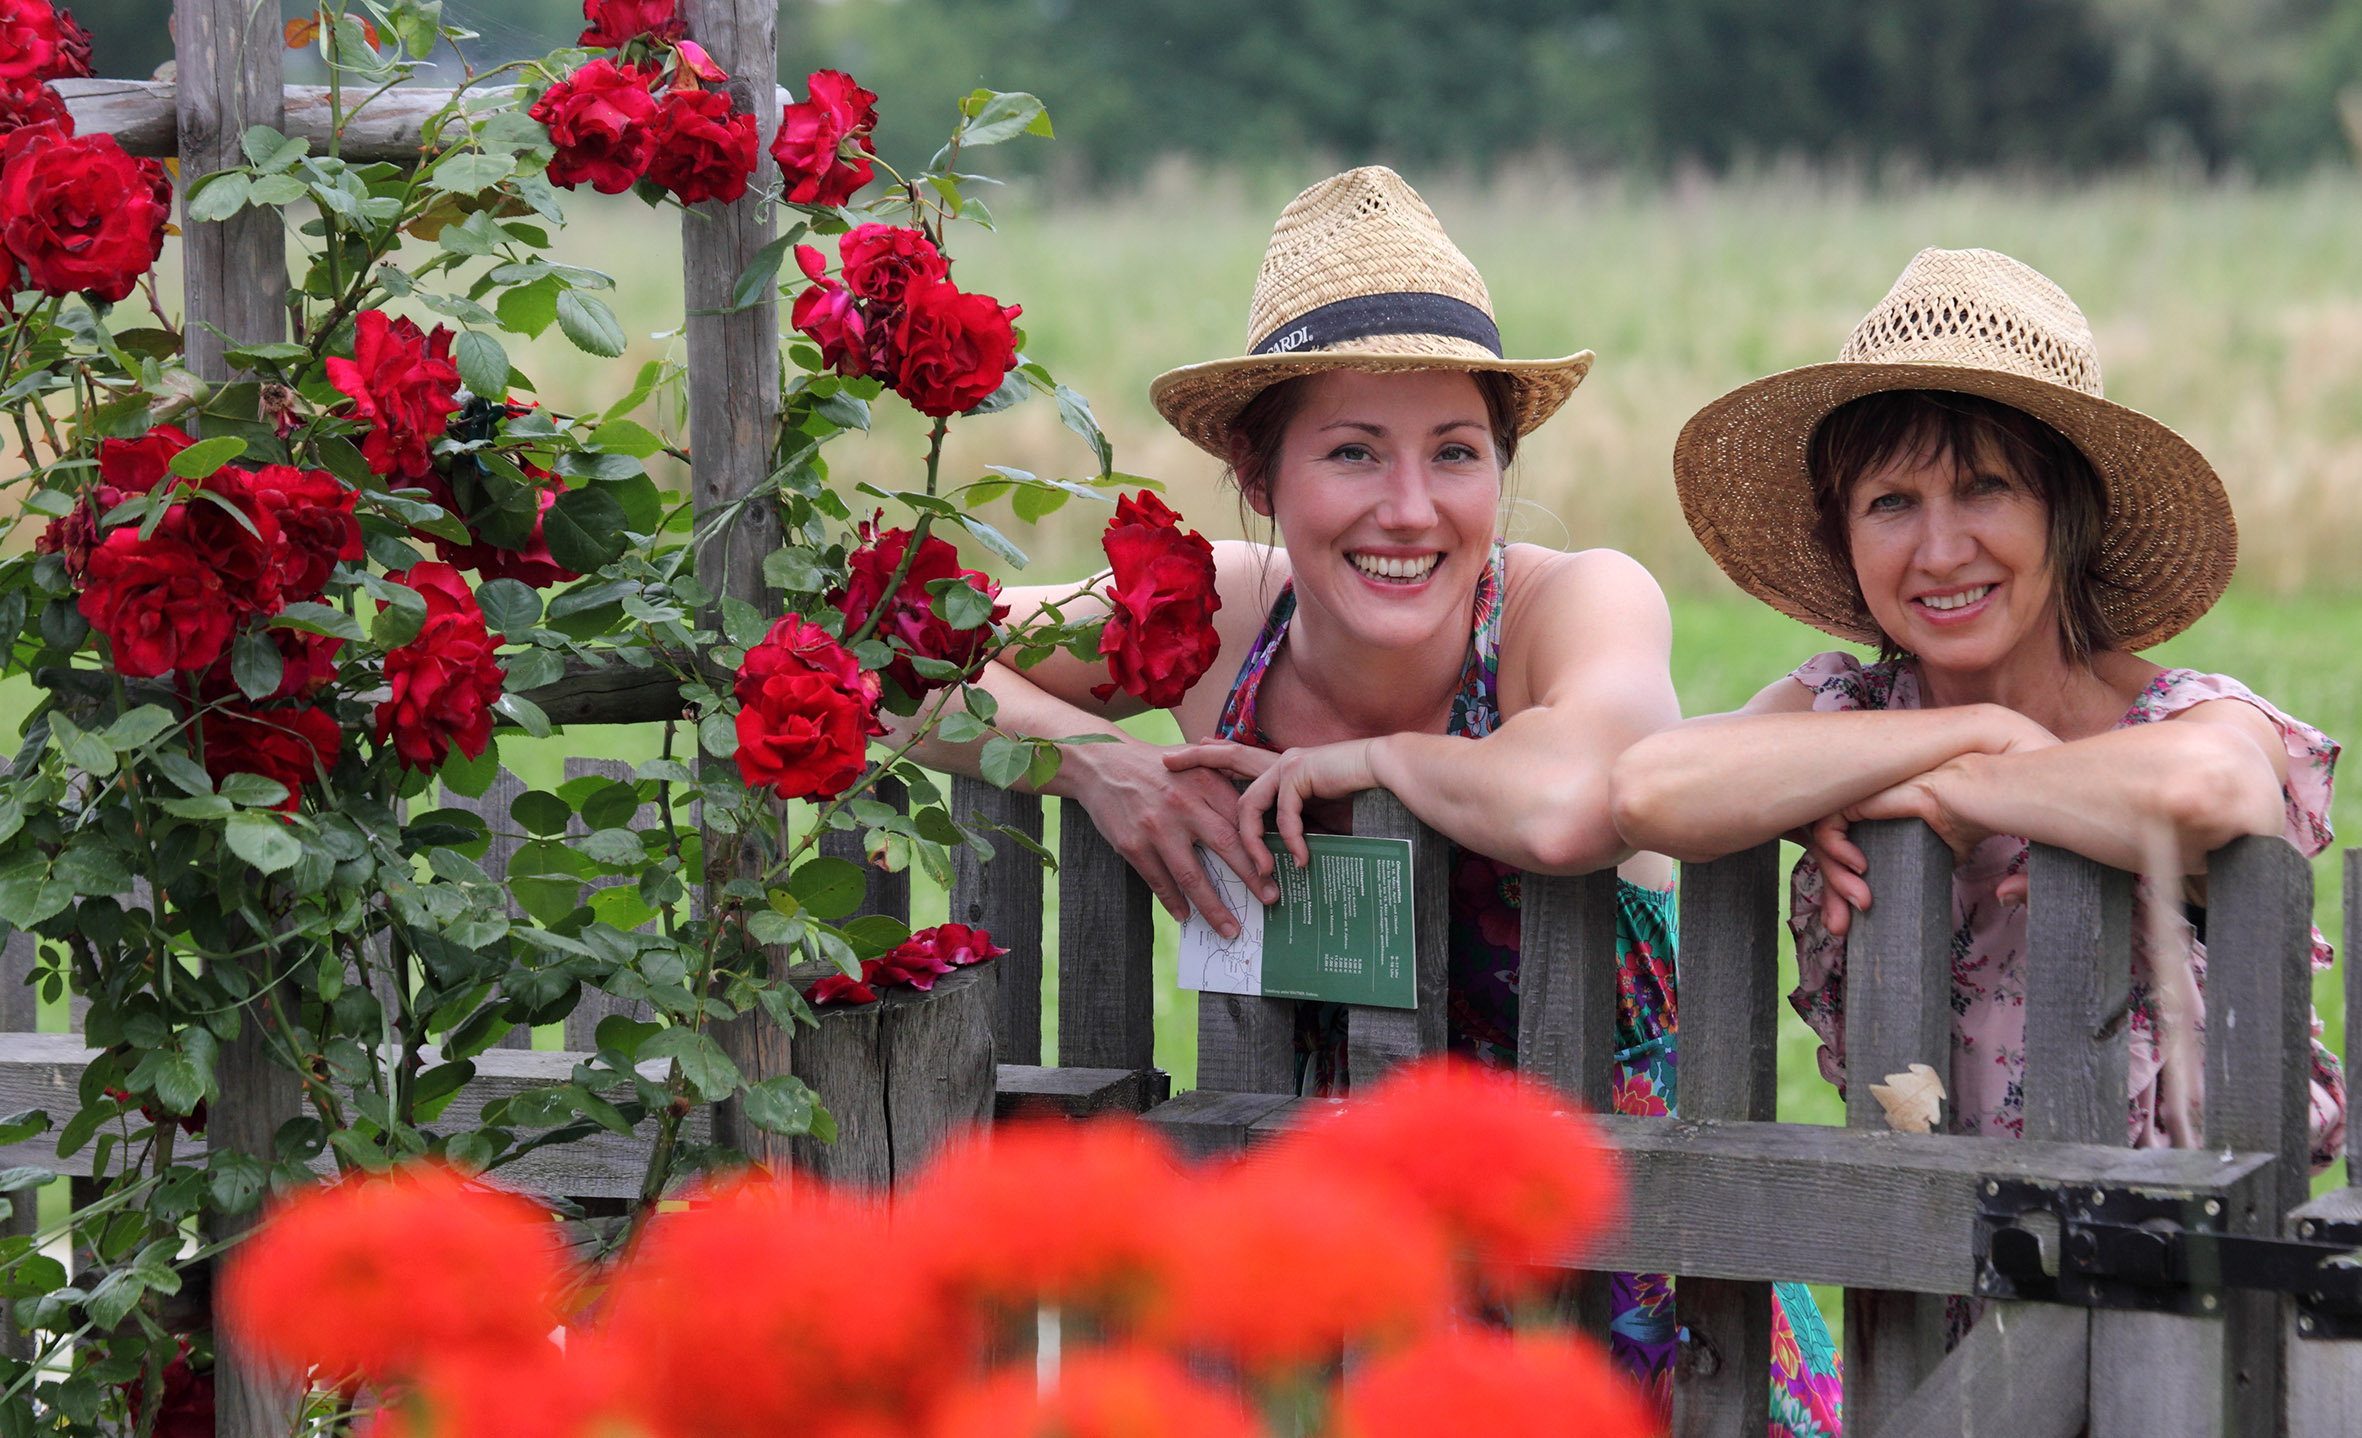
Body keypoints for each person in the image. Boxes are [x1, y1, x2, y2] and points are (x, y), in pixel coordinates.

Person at [893, 166, 1843, 1431]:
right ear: (1259, 471)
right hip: (1332, 1287)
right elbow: (875, 655)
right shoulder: (1220, 616)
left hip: (1625, 1275)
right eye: (1352, 452)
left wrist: (1375, 763)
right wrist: (1093, 758)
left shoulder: (1571, 604)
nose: (1409, 509)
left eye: (1454, 453)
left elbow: (1570, 804)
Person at [1612, 247, 2345, 1173]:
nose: (1941, 550)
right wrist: (1981, 734)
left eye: (1984, 488)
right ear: (1844, 535)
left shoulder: (2174, 715)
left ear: (2065, 513)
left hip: (2173, 1245)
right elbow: (1649, 788)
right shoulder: (1855, 709)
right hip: (1922, 1242)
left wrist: (1953, 790)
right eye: (1892, 503)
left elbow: (2212, 790)